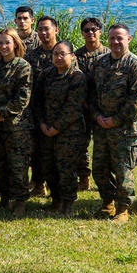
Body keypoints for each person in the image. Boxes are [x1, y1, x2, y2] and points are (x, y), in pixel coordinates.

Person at [90, 24, 137, 224]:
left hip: (125, 130)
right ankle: (108, 203)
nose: (115, 42)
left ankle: (123, 208)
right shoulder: (100, 63)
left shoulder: (136, 65)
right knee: (99, 169)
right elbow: (91, 94)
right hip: (101, 127)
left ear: (129, 39)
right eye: (112, 38)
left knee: (123, 171)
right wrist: (97, 116)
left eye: (119, 38)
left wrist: (114, 120)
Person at [34, 41, 87, 217]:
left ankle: (68, 203)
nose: (58, 57)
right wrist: (42, 123)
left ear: (72, 56)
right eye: (55, 54)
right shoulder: (46, 75)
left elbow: (73, 107)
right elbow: (37, 101)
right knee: (48, 167)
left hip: (69, 132)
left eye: (62, 54)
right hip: (46, 130)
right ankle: (56, 200)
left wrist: (56, 127)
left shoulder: (77, 77)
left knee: (66, 168)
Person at [0, 28, 32, 216]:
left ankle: (20, 200)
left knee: (18, 163)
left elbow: (23, 97)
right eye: (0, 43)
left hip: (16, 125)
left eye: (7, 42)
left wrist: (2, 113)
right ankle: (4, 196)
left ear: (15, 44)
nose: (3, 46)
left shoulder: (22, 66)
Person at [26, 15, 59, 197]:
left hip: (58, 111)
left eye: (47, 28)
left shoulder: (64, 52)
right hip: (37, 110)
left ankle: (60, 187)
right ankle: (39, 183)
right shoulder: (32, 55)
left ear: (56, 30)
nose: (44, 32)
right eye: (40, 29)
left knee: (57, 152)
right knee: (36, 150)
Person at [74, 17, 108, 191]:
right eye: (86, 30)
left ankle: (108, 180)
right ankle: (84, 177)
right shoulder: (76, 56)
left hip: (103, 110)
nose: (90, 33)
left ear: (100, 32)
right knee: (80, 145)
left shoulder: (109, 54)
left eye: (94, 29)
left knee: (104, 148)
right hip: (82, 109)